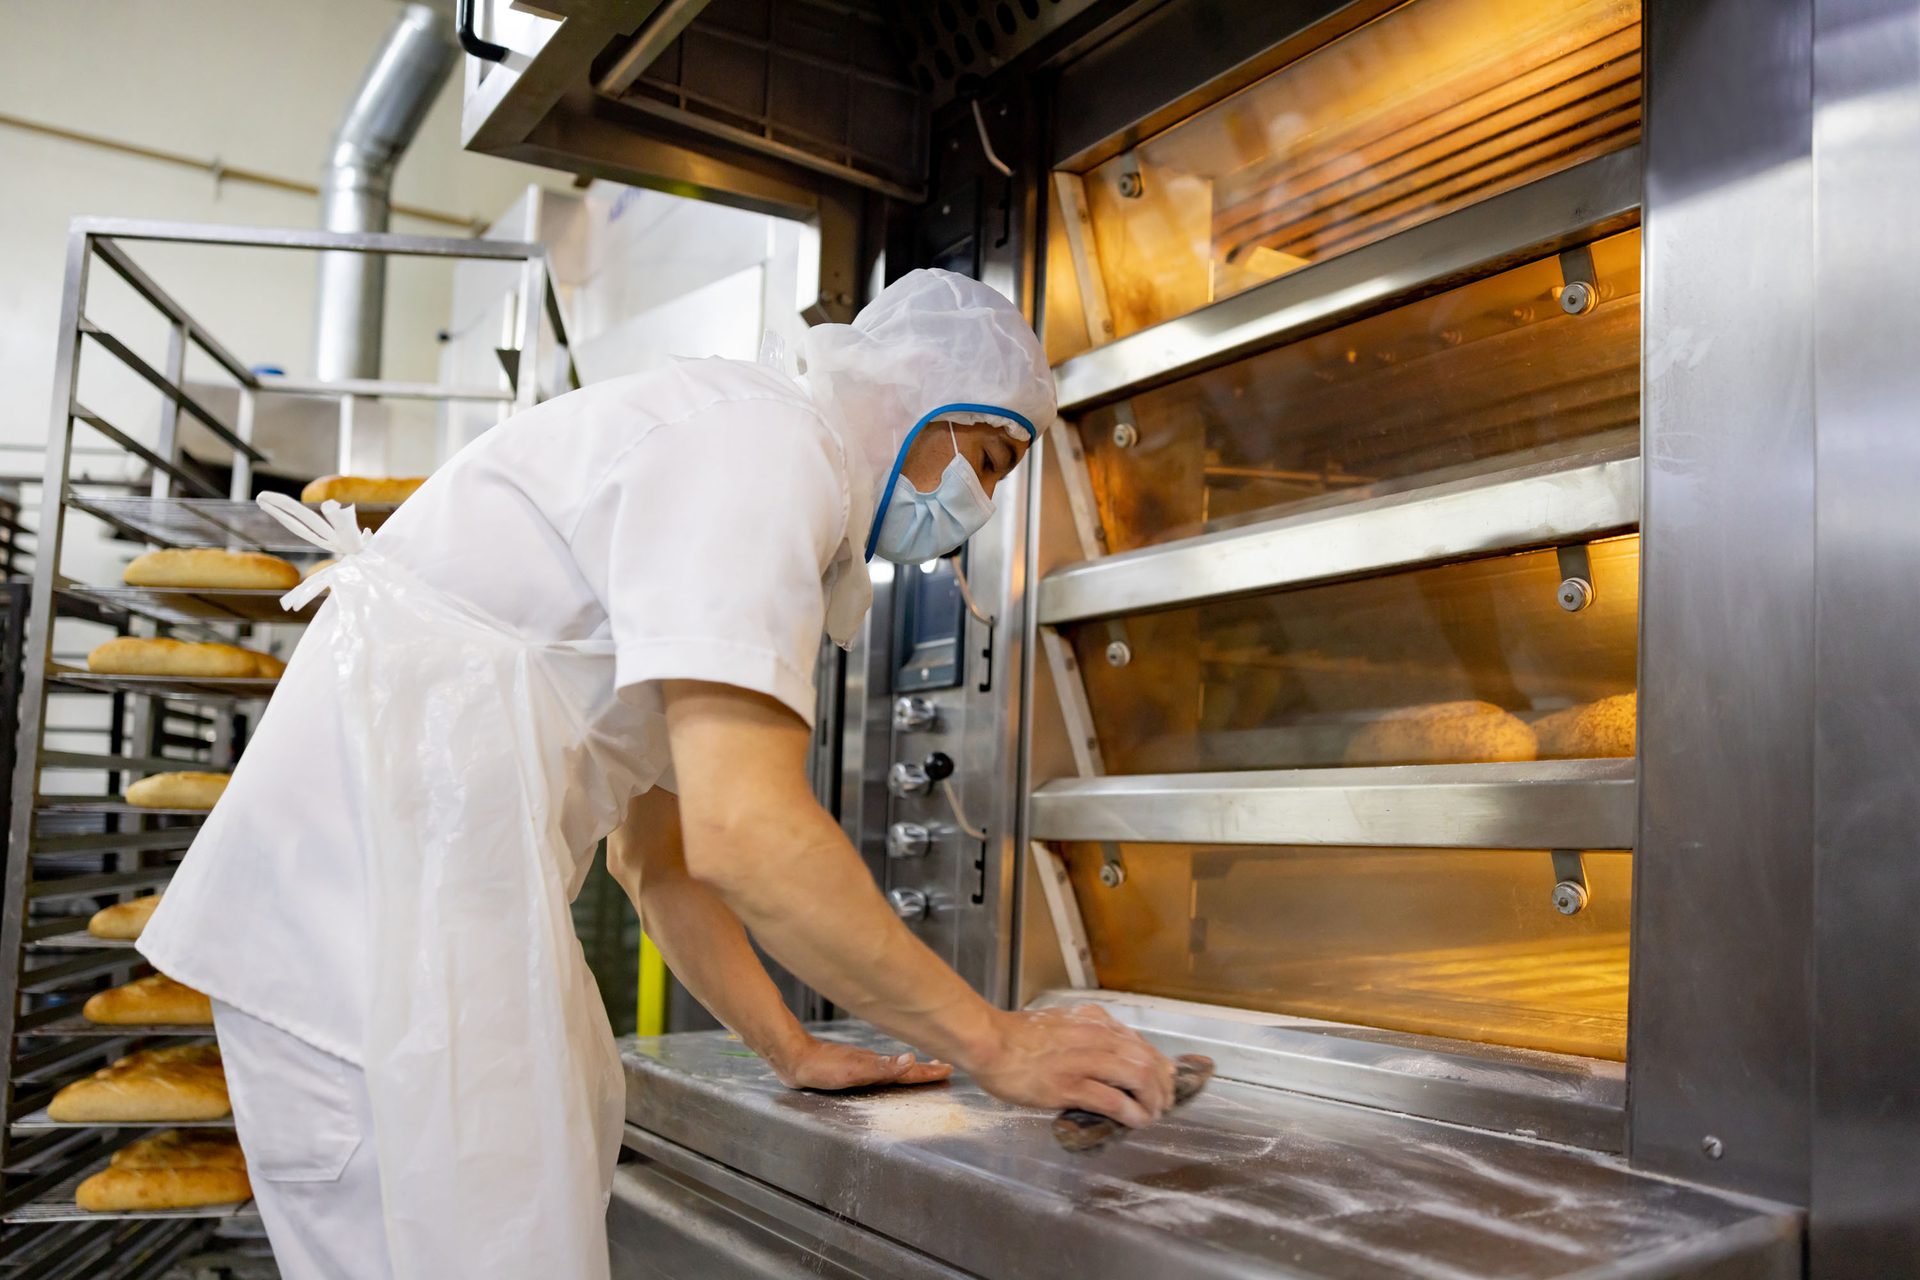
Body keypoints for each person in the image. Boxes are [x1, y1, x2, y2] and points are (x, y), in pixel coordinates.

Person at [137, 269, 1176, 1280]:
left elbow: (662, 852)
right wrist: (996, 1042)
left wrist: (789, 1045)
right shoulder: (767, 454)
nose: (978, 504)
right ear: (922, 401)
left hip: (414, 912)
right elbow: (749, 833)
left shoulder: (751, 459)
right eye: (988, 461)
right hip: (372, 935)